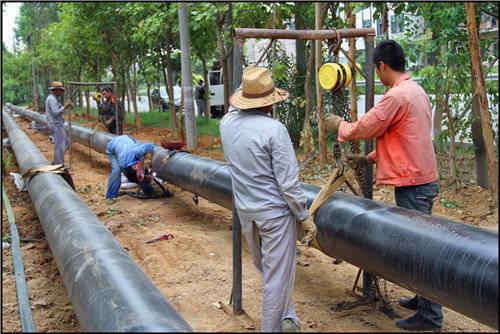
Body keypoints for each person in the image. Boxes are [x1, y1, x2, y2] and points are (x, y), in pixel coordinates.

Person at [325, 40, 442, 331]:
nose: (377, 75)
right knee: (420, 242)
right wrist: (373, 156)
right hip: (422, 178)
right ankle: (423, 299)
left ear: (382, 66)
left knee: (420, 248)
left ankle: (430, 316)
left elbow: (368, 126)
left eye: (376, 70)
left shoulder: (396, 96)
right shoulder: (416, 91)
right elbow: (406, 136)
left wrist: (339, 126)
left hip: (413, 184)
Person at [220, 66, 317, 332]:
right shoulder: (274, 130)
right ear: (269, 104)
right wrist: (304, 217)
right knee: (277, 278)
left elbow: (235, 104)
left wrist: (248, 87)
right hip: (275, 216)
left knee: (267, 269)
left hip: (247, 213)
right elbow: (288, 183)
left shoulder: (227, 124)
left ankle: (289, 317)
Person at [105, 135, 155, 205]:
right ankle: (110, 196)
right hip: (113, 147)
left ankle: (149, 191)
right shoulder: (123, 163)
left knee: (139, 174)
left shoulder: (137, 152)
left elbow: (150, 146)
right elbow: (137, 177)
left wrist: (151, 155)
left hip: (127, 140)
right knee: (116, 171)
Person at [45, 81, 71, 166]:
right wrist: (65, 107)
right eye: (60, 90)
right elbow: (55, 112)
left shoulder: (54, 98)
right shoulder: (52, 99)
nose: (61, 92)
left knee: (65, 141)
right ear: (55, 90)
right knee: (59, 144)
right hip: (56, 125)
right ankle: (58, 164)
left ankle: (57, 161)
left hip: (57, 124)